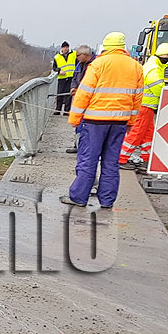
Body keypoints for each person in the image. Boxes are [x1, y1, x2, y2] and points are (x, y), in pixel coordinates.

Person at [60, 32, 143, 209]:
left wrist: (75, 119)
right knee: (111, 162)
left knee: (88, 160)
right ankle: (107, 200)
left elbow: (84, 93)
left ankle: (79, 197)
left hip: (95, 121)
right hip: (119, 122)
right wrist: (130, 122)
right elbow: (137, 98)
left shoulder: (98, 64)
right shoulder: (135, 66)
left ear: (106, 46)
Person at [119, 42, 168, 170]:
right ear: (161, 55)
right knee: (137, 133)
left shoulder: (152, 65)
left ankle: (147, 158)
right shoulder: (155, 68)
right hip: (145, 106)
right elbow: (157, 87)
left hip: (145, 106)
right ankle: (121, 159)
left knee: (147, 134)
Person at [66, 45, 95, 154]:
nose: (76, 57)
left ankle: (83, 147)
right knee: (78, 121)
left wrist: (81, 91)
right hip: (80, 97)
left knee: (86, 124)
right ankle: (77, 144)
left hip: (90, 100)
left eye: (78, 55)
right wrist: (73, 87)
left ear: (85, 55)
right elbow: (75, 77)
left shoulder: (95, 65)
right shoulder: (79, 64)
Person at [53, 41, 76, 115]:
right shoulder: (57, 57)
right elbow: (54, 67)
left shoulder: (74, 54)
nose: (66, 49)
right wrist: (59, 71)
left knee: (69, 95)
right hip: (62, 77)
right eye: (64, 47)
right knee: (59, 94)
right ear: (62, 48)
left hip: (71, 77)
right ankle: (58, 109)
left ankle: (66, 110)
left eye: (67, 47)